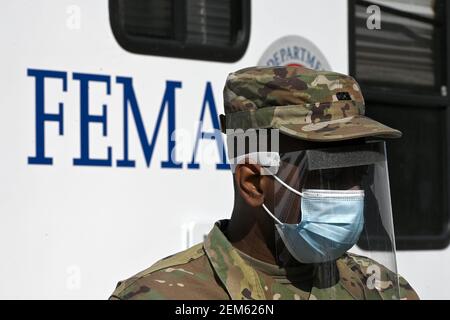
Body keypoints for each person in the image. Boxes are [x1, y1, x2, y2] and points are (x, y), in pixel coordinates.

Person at [109, 66, 419, 300]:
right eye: (330, 175)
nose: (354, 193)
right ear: (254, 182)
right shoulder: (163, 295)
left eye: (360, 173)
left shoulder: (380, 289)